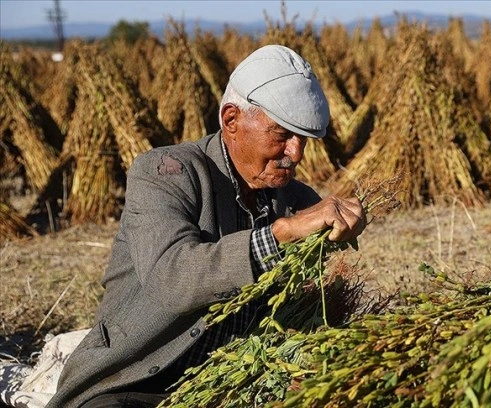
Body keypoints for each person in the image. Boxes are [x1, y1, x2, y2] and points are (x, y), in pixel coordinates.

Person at [47, 44, 366, 408]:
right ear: (231, 120)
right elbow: (172, 278)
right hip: (135, 381)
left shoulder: (294, 198)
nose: (296, 154)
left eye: (303, 139)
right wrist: (281, 235)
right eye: (281, 135)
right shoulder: (166, 173)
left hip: (229, 386)